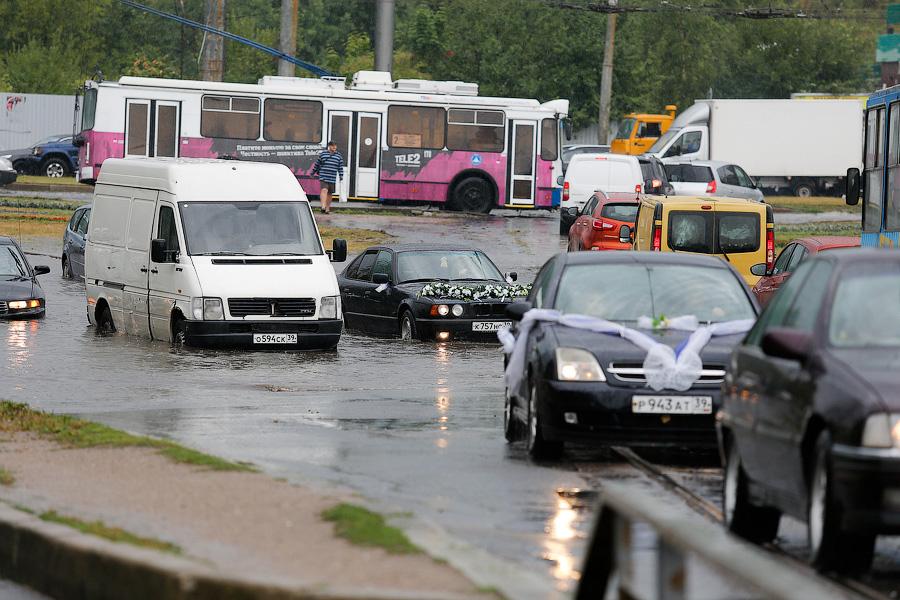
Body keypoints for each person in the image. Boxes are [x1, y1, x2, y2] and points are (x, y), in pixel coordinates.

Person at [311, 141, 344, 214]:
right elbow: (317, 164)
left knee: (330, 193)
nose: (334, 147)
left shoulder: (339, 156)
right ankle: (323, 207)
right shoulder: (323, 154)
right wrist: (312, 173)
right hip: (323, 176)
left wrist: (341, 175)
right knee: (324, 190)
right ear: (329, 146)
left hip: (332, 177)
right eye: (332, 146)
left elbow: (340, 167)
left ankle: (327, 208)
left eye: (335, 146)